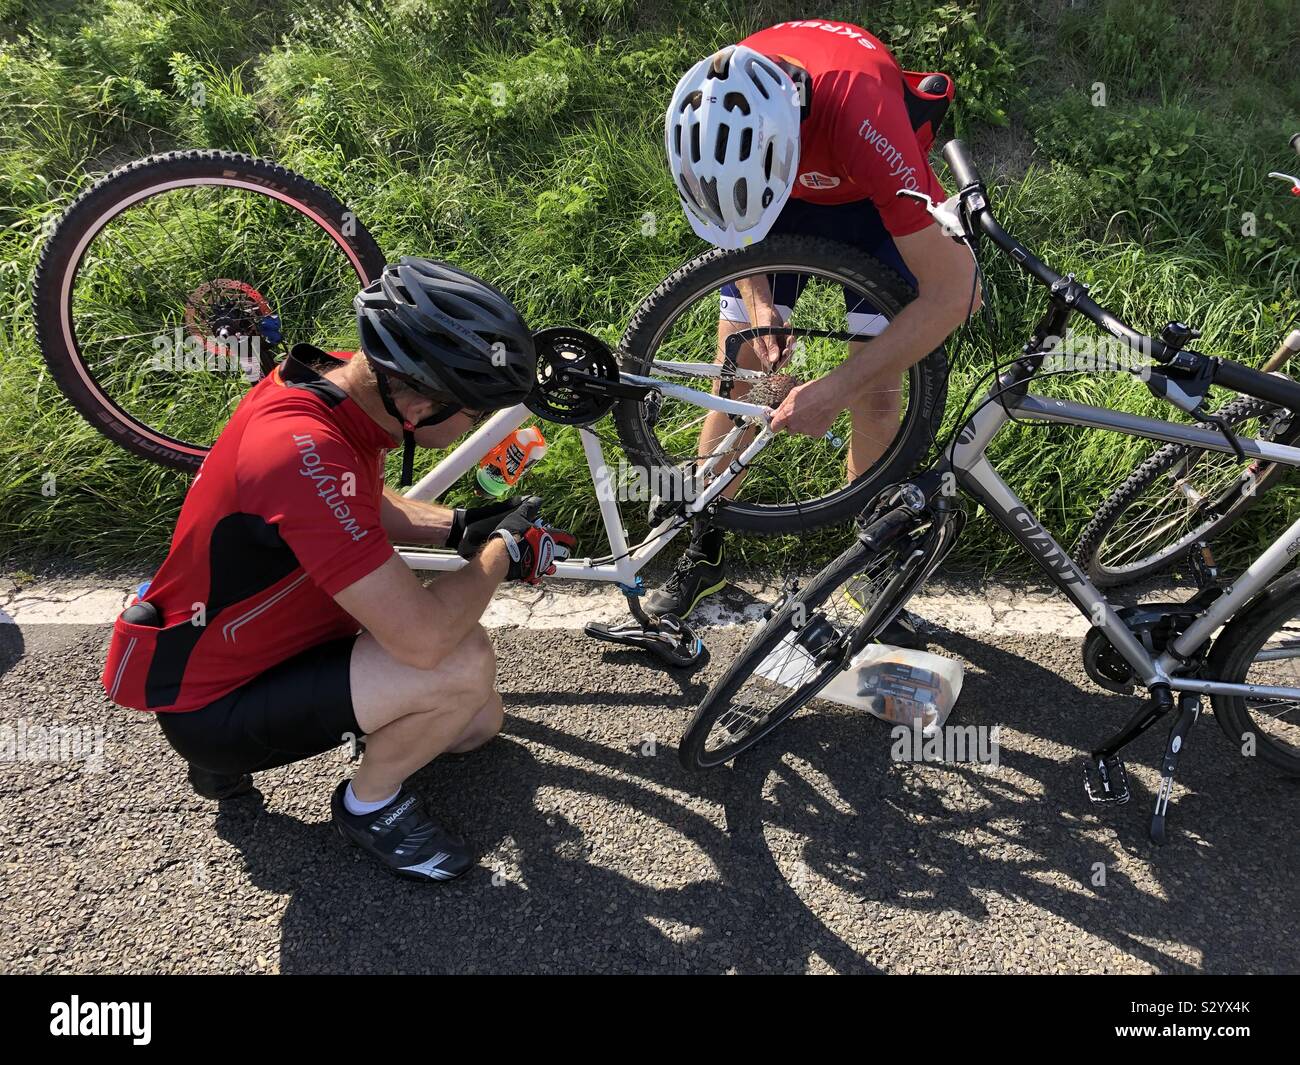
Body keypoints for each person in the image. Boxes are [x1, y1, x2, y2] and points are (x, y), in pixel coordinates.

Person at [101, 257, 573, 884]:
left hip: (228, 654)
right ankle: (370, 806)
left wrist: (462, 526)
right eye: (474, 412)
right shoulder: (304, 458)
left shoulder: (333, 387)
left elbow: (357, 500)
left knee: (477, 725)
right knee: (461, 664)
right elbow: (425, 637)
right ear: (419, 404)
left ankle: (285, 743)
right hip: (214, 704)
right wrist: (502, 553)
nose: (482, 426)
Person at [649, 18, 980, 621]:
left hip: (869, 198)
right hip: (780, 192)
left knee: (876, 394)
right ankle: (702, 548)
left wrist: (833, 390)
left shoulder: (864, 116)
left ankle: (867, 563)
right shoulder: (713, 107)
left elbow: (956, 296)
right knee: (742, 376)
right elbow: (730, 221)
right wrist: (757, 300)